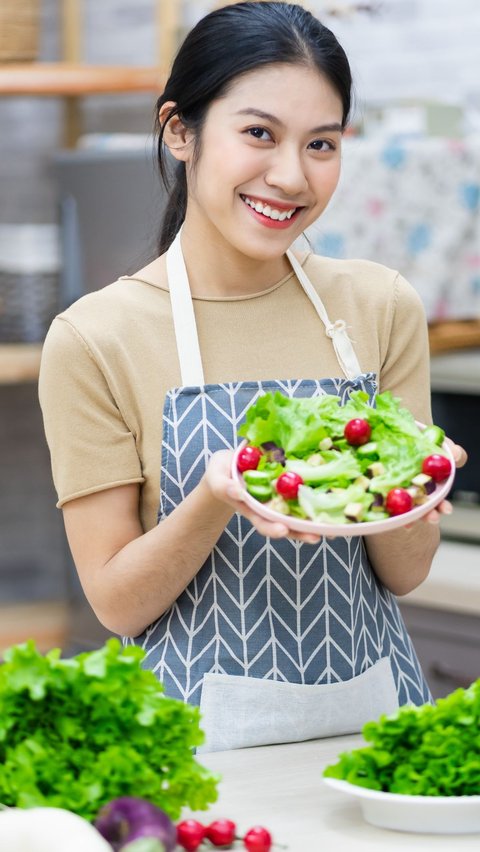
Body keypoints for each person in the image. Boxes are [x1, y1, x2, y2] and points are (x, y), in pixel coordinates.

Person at [39, 1, 466, 753]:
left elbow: (405, 575)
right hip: (196, 750)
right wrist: (215, 495)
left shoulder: (380, 306)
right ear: (181, 132)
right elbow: (115, 603)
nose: (291, 176)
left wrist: (413, 482)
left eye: (322, 143)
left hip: (372, 730)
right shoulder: (95, 339)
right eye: (259, 134)